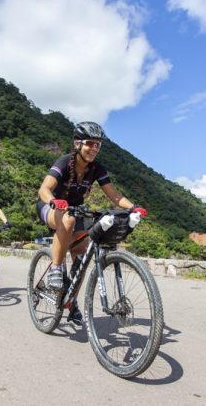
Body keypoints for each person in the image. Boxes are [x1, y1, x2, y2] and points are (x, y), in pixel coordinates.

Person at [36, 121, 147, 325]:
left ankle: (71, 302)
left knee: (82, 257)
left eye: (98, 145)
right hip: (51, 207)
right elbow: (43, 189)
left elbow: (114, 195)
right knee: (67, 220)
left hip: (76, 211)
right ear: (77, 143)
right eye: (90, 143)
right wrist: (54, 201)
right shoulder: (63, 162)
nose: (94, 148)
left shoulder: (96, 169)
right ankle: (55, 268)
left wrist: (133, 207)